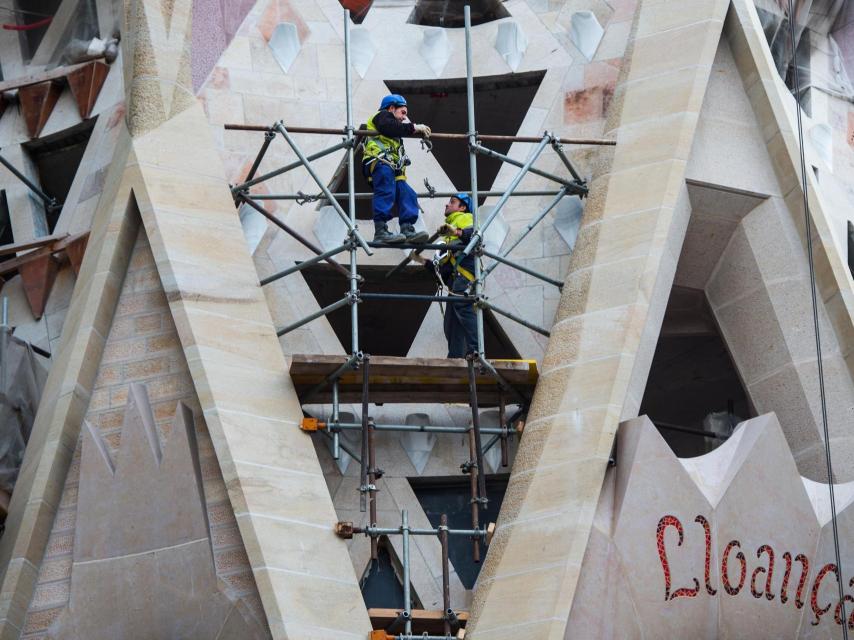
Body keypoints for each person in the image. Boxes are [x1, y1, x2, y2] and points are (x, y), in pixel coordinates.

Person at [363, 94, 431, 244]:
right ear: (392, 108)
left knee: (407, 193)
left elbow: (396, 134)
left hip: (392, 166)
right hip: (379, 162)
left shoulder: (396, 132)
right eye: (403, 112)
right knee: (386, 190)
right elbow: (390, 128)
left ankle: (407, 228)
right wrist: (413, 127)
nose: (404, 117)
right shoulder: (382, 116)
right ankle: (381, 230)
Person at [425, 194, 479, 359]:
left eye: (452, 202)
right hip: (456, 278)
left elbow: (474, 235)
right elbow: (446, 266)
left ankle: (475, 350)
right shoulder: (450, 230)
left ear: (462, 207)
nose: (447, 205)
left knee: (463, 308)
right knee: (451, 321)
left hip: (465, 274)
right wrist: (422, 262)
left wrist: (455, 230)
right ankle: (455, 356)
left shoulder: (465, 217)